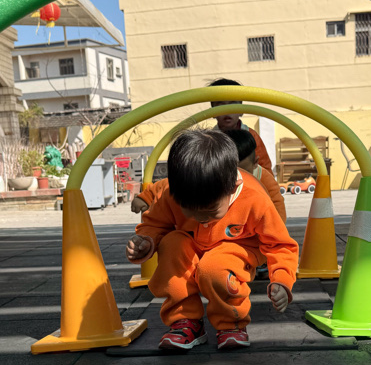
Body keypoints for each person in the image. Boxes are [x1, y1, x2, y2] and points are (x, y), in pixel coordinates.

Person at [125, 129, 298, 351]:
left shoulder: (254, 198)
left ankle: (231, 322)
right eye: (189, 210)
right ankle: (185, 320)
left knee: (215, 266)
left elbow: (279, 244)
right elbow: (155, 223)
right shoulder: (172, 192)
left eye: (210, 211)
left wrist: (281, 280)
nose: (199, 218)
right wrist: (146, 241)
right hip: (192, 242)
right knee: (172, 244)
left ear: (232, 188)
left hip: (236, 247)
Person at [132, 128, 287, 223]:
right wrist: (146, 197)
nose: (233, 175)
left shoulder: (261, 180)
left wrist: (274, 228)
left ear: (255, 164)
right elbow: (168, 184)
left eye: (240, 171)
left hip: (246, 230)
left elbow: (277, 203)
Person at [207, 78, 274, 172]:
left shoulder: (251, 136)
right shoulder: (209, 140)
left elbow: (265, 168)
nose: (227, 110)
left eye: (232, 105)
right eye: (221, 105)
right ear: (213, 112)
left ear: (241, 111)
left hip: (249, 179)